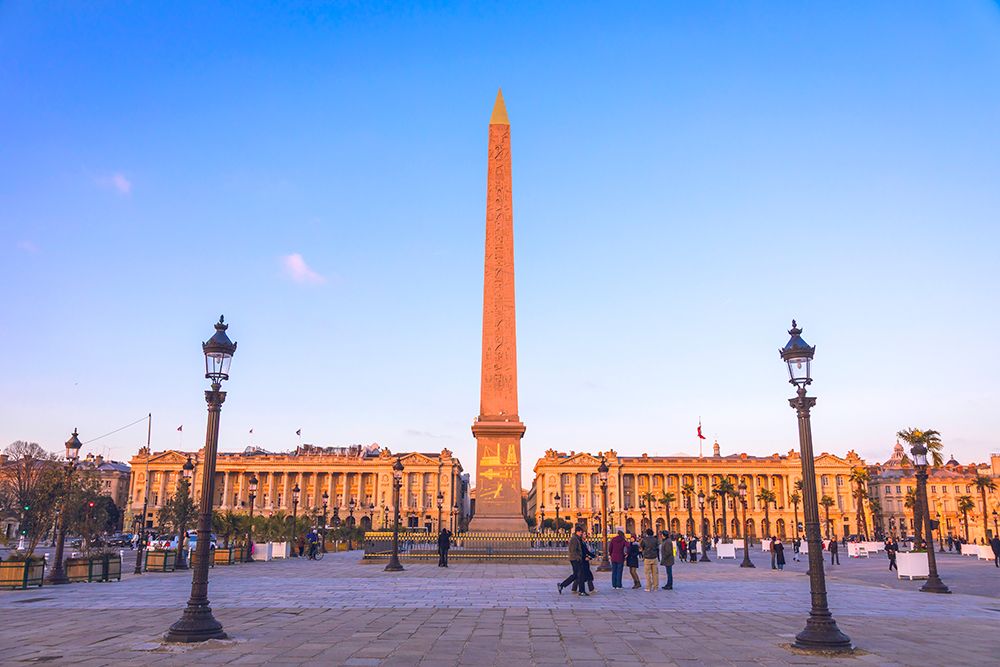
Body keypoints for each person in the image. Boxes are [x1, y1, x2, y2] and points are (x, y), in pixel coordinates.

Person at [558, 526, 586, 596]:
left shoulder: (576, 538)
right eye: (581, 532)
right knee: (580, 575)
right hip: (575, 559)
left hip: (575, 558)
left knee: (576, 575)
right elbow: (573, 550)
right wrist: (578, 557)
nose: (581, 534)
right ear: (578, 532)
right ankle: (581, 591)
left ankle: (562, 585)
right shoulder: (574, 539)